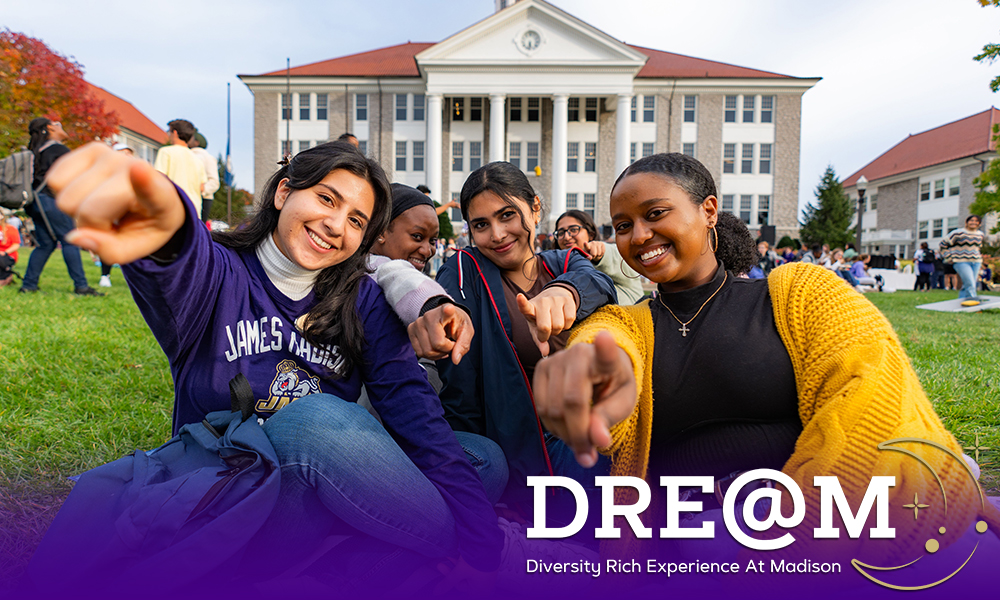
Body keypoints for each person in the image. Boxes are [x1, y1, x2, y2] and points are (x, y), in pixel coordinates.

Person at [47, 141, 506, 589]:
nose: (334, 225)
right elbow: (177, 255)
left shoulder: (362, 299)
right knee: (312, 417)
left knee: (481, 460)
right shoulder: (220, 273)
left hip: (321, 496)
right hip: (235, 502)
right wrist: (158, 214)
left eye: (355, 220)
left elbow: (415, 414)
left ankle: (318, 578)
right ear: (284, 192)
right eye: (326, 198)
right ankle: (454, 550)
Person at [532, 153, 998, 570]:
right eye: (623, 225)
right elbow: (606, 350)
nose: (639, 235)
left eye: (655, 214)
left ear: (708, 210)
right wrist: (592, 379)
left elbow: (872, 394)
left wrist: (792, 542)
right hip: (695, 539)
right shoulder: (628, 324)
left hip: (834, 529)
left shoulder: (800, 292)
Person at [435, 161, 617, 523]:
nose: (498, 234)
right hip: (522, 447)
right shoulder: (466, 269)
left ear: (534, 208)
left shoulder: (563, 262)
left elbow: (599, 284)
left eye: (507, 215)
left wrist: (565, 292)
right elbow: (459, 387)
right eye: (481, 225)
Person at [18, 118, 103, 296]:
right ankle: (81, 286)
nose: (61, 127)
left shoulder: (35, 151)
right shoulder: (58, 149)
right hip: (51, 200)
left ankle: (29, 285)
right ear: (50, 128)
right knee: (69, 240)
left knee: (45, 244)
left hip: (35, 202)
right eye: (58, 124)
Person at [553, 209, 644, 304]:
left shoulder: (612, 255)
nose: (567, 237)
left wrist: (600, 253)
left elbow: (617, 259)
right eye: (561, 233)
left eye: (574, 230)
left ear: (591, 234)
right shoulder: (552, 266)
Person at [154, 119, 206, 218]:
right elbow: (202, 187)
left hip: (172, 208)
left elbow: (159, 179)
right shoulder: (197, 159)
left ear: (175, 133)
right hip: (194, 209)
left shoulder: (166, 152)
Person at [939, 215, 984, 299]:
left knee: (969, 283)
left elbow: (978, 248)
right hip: (961, 261)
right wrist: (948, 257)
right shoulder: (958, 233)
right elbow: (943, 244)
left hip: (976, 261)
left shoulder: (980, 234)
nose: (973, 222)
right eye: (971, 220)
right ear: (966, 222)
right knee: (970, 282)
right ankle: (972, 300)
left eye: (976, 221)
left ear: (979, 223)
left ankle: (962, 300)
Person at [187, 132, 220, 223]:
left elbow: (214, 181)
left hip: (203, 198)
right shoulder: (186, 155)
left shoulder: (207, 158)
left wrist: (202, 189)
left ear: (197, 142)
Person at [0, 216, 20, 286]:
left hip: (8, 255)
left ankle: (5, 278)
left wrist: (5, 252)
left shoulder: (11, 229)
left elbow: (16, 245)